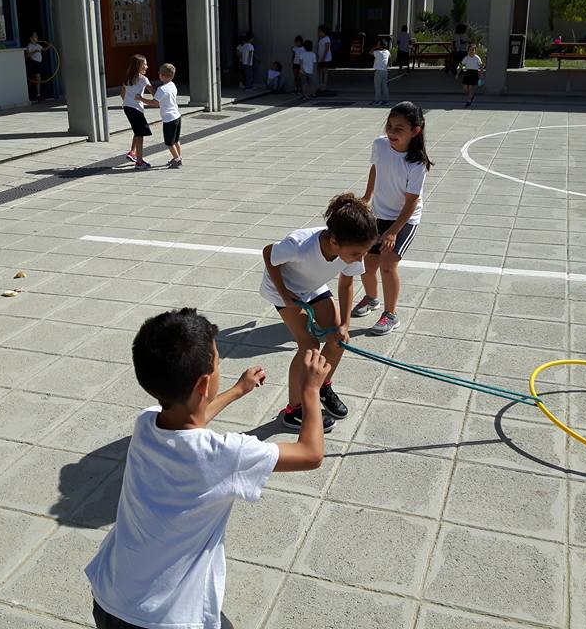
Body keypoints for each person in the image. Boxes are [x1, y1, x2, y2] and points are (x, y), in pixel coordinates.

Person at [85, 308, 330, 629]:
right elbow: (310, 454)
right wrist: (310, 390)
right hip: (164, 619)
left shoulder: (146, 423)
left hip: (110, 595)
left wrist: (238, 390)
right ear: (204, 383)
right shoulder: (224, 455)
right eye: (218, 362)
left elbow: (191, 419)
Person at [261, 194, 378, 432]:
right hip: (284, 290)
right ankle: (294, 411)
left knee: (339, 339)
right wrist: (284, 293)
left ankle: (321, 385)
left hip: (312, 286)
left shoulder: (352, 247)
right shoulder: (300, 244)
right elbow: (268, 255)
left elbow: (346, 284)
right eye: (356, 254)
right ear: (334, 241)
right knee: (309, 345)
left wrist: (345, 325)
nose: (360, 259)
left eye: (364, 253)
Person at [352, 102, 433, 336]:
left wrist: (394, 231)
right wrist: (367, 196)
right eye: (389, 126)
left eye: (399, 129)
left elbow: (411, 202)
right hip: (379, 214)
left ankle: (390, 314)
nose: (391, 132)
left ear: (415, 131)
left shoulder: (417, 164)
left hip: (404, 219)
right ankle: (371, 298)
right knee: (367, 265)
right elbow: (376, 168)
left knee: (387, 266)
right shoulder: (380, 144)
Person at [138, 63, 183, 168]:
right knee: (176, 140)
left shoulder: (162, 89)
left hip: (169, 119)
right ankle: (178, 157)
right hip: (177, 116)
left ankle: (177, 160)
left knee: (169, 142)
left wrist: (141, 99)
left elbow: (155, 103)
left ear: (162, 75)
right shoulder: (172, 85)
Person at [120, 54, 153, 170]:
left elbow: (122, 94)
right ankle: (139, 162)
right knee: (140, 135)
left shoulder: (127, 78)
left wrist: (128, 102)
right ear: (138, 66)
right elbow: (154, 93)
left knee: (137, 130)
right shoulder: (143, 79)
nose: (147, 67)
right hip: (136, 109)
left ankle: (132, 152)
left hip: (127, 107)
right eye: (145, 64)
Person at [24, 31, 46, 101]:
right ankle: (38, 94)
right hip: (33, 63)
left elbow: (44, 50)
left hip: (39, 63)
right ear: (31, 38)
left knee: (34, 79)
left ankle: (29, 92)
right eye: (35, 36)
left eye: (36, 36)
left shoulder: (38, 45)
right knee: (38, 78)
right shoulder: (29, 45)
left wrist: (50, 45)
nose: (37, 37)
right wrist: (34, 51)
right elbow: (27, 55)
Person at [370, 38, 391, 105]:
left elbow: (370, 52)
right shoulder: (387, 52)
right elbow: (389, 58)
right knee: (384, 86)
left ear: (380, 45)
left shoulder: (377, 52)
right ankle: (386, 100)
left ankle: (377, 100)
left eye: (378, 44)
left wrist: (375, 47)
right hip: (385, 71)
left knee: (377, 86)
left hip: (378, 71)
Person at [317, 24, 333, 91]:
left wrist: (323, 57)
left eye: (320, 32)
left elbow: (327, 48)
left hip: (326, 59)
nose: (318, 33)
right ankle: (320, 84)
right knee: (320, 71)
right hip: (321, 58)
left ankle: (324, 86)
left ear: (324, 32)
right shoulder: (321, 39)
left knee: (325, 71)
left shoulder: (327, 39)